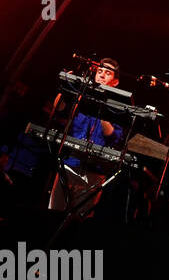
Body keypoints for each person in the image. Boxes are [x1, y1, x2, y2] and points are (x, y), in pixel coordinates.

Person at [48, 57, 127, 214]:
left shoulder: (119, 109)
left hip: (95, 172)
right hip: (70, 165)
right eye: (99, 71)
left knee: (80, 220)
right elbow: (59, 108)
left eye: (107, 73)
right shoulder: (81, 98)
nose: (102, 75)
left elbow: (112, 136)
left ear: (115, 82)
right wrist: (64, 87)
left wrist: (103, 104)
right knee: (53, 214)